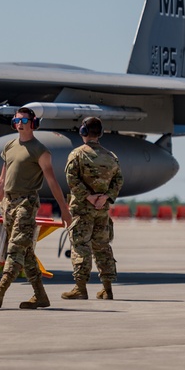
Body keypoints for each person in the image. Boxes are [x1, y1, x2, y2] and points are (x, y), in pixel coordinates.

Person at [0, 107, 71, 309]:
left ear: (33, 124)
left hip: (26, 204)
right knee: (26, 252)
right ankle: (40, 296)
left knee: (14, 249)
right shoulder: (9, 146)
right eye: (16, 120)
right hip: (8, 205)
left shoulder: (40, 151)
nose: (19, 123)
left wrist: (64, 209)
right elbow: (2, 179)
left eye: (23, 120)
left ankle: (0, 291)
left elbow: (53, 181)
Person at [62, 116, 123, 300]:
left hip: (82, 209)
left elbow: (71, 179)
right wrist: (105, 197)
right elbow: (118, 180)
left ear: (83, 132)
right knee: (102, 247)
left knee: (81, 246)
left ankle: (80, 288)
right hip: (102, 210)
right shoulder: (111, 157)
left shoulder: (77, 154)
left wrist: (87, 197)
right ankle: (107, 288)